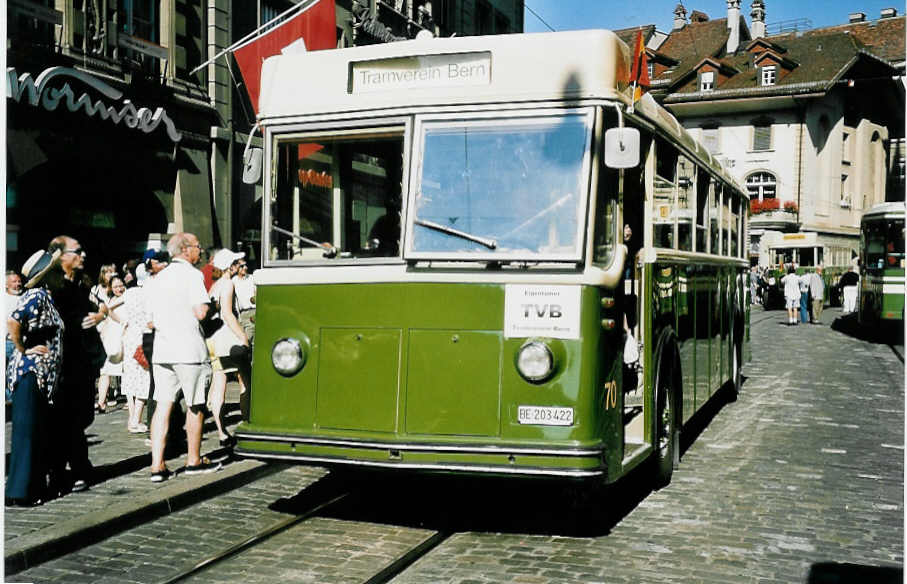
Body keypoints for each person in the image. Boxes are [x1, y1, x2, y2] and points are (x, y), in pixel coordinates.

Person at [145, 233, 221, 482]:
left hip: (163, 350)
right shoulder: (192, 275)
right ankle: (193, 460)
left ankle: (157, 465)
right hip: (189, 350)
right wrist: (213, 306)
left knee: (162, 406)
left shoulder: (158, 277)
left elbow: (150, 321)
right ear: (186, 249)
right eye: (198, 247)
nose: (200, 251)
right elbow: (200, 312)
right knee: (195, 405)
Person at [46, 235, 107, 494]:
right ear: (60, 256)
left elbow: (100, 307)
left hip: (83, 361)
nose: (83, 255)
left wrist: (99, 315)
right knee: (65, 419)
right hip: (63, 363)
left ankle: (75, 468)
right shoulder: (50, 285)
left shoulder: (82, 282)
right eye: (77, 251)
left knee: (81, 416)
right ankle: (67, 470)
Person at [6, 250, 65, 506]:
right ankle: (21, 491)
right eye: (57, 271)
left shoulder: (46, 297)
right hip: (31, 373)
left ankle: (29, 486)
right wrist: (23, 348)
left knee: (34, 431)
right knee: (27, 432)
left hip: (41, 376)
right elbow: (14, 321)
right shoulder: (37, 296)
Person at [207, 248, 251, 448]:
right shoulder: (227, 284)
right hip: (227, 338)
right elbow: (227, 313)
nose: (237, 266)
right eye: (234, 263)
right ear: (228, 267)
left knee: (219, 383)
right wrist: (243, 336)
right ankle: (248, 422)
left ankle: (221, 431)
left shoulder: (214, 286)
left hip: (213, 339)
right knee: (245, 380)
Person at [121, 267, 152, 433]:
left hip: (129, 336)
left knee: (130, 377)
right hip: (143, 336)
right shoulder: (148, 293)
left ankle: (132, 418)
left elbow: (109, 307)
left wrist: (123, 322)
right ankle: (136, 420)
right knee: (144, 378)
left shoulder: (129, 293)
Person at [96, 276, 127, 413]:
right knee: (105, 371)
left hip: (123, 336)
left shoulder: (127, 297)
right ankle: (101, 402)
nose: (119, 289)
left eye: (121, 285)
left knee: (126, 369)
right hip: (111, 337)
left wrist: (122, 322)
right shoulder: (110, 300)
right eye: (115, 287)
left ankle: (130, 399)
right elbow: (107, 316)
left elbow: (108, 310)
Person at [232, 259, 256, 344]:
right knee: (245, 341)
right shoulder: (233, 281)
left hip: (253, 311)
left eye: (246, 265)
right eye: (242, 266)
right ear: (236, 267)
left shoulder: (252, 278)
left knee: (250, 340)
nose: (245, 268)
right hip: (242, 315)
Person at [6, 270, 24, 373]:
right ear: (6, 285)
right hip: (8, 343)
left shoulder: (23, 299)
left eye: (19, 281)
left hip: (20, 343)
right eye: (14, 282)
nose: (18, 284)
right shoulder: (3, 299)